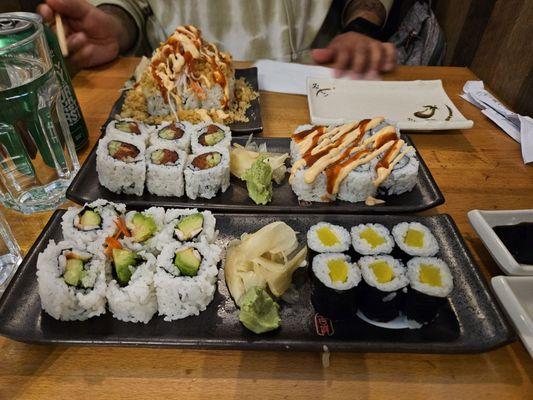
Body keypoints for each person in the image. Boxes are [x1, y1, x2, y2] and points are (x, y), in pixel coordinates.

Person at [37, 0, 396, 78]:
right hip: (178, 88)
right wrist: (110, 27)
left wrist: (360, 29)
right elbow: (126, 7)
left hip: (312, 80)